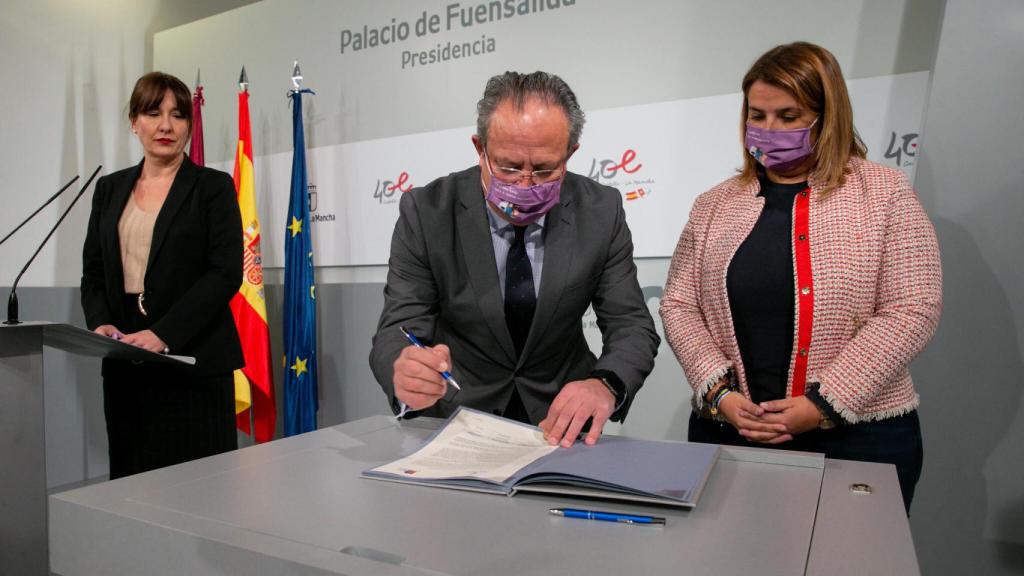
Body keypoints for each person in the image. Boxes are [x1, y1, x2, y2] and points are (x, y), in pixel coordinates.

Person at [659, 42, 942, 511]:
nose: (769, 130)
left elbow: (912, 307)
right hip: (731, 432)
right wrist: (719, 393)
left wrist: (825, 404)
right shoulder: (714, 205)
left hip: (860, 439)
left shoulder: (885, 193)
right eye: (758, 115)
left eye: (789, 116)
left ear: (827, 115)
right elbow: (679, 304)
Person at [369, 71, 659, 447]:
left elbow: (631, 325)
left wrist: (605, 384)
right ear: (480, 148)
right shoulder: (427, 212)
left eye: (543, 169)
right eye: (507, 167)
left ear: (570, 153)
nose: (525, 184)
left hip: (561, 427)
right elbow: (398, 326)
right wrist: (404, 369)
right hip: (458, 421)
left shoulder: (600, 211)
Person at [81, 72, 244, 479]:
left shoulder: (213, 187)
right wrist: (99, 323)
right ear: (134, 122)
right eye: (153, 113)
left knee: (199, 490)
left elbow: (225, 273)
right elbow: (94, 271)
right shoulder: (109, 189)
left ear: (190, 124)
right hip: (126, 361)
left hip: (193, 359)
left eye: (178, 115)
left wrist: (164, 334)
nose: (166, 126)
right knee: (132, 485)